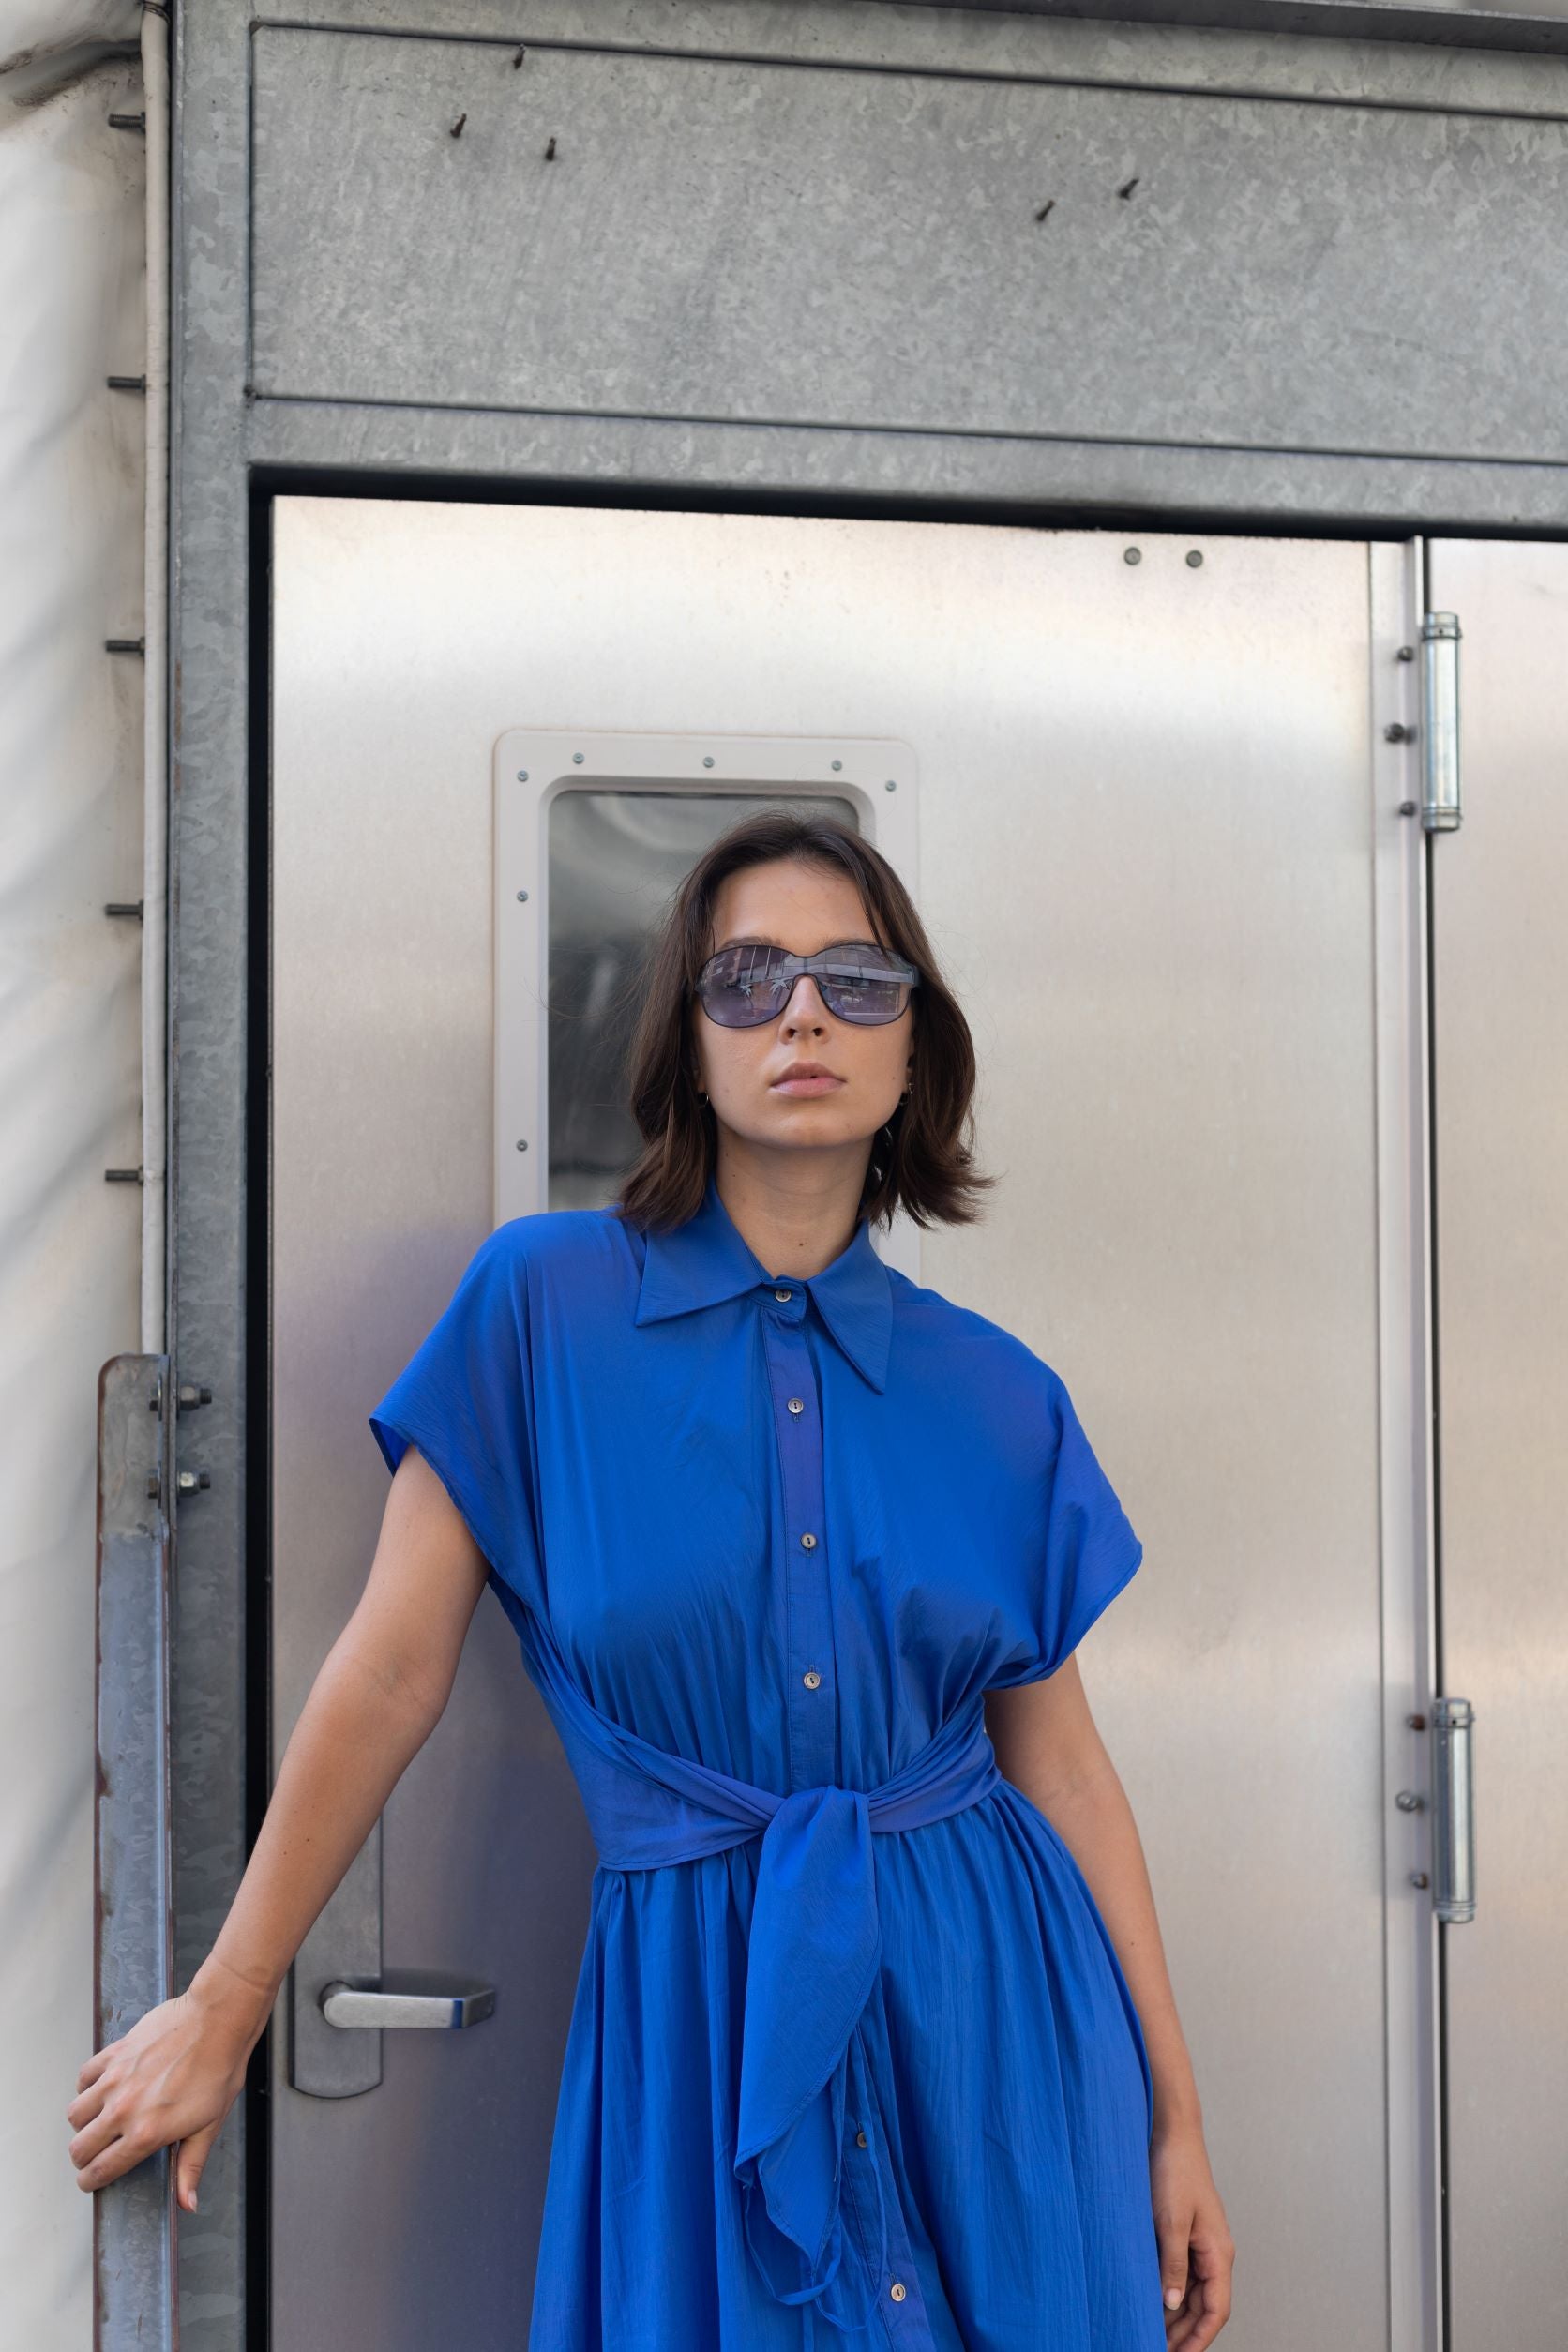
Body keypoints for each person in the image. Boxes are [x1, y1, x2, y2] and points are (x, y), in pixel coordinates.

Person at [68, 807, 1234, 2348]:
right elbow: (391, 1671)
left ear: (910, 1054)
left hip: (996, 2034)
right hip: (696, 2018)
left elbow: (1066, 1772)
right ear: (687, 1041)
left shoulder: (1001, 1397)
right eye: (747, 979)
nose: (803, 1012)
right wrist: (226, 2001)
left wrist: (1173, 2124)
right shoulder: (538, 1309)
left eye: (856, 982)